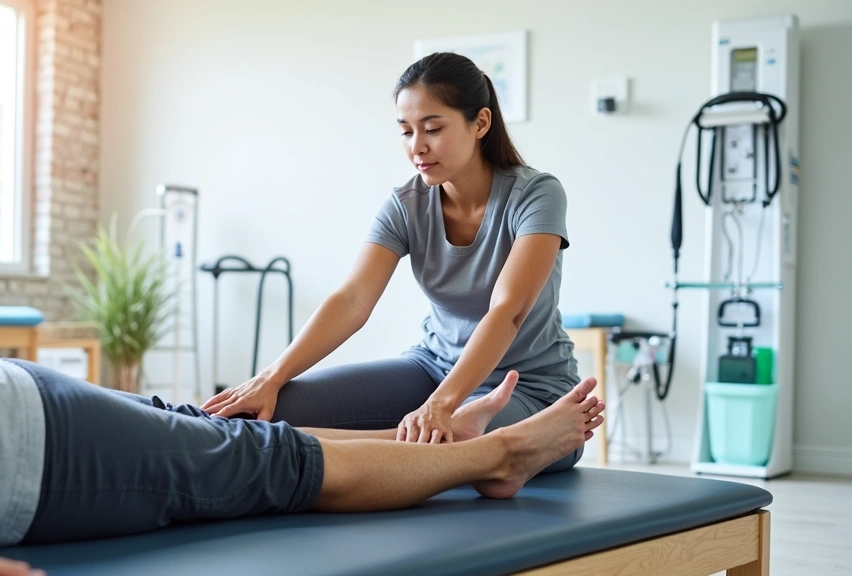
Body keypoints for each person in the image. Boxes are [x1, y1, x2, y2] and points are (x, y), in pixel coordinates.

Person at [0, 348, 603, 570]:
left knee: (248, 447)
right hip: (10, 440)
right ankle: (489, 452)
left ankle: (480, 452)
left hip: (8, 425)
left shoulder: (526, 198)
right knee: (252, 451)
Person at [202, 52, 587, 471]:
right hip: (432, 367)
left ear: (480, 123)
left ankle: (458, 444)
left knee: (456, 438)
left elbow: (507, 310)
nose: (416, 147)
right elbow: (352, 300)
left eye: (433, 129)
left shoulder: (537, 194)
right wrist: (271, 377)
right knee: (269, 410)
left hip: (530, 387)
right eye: (406, 132)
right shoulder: (406, 205)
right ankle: (438, 445)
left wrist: (442, 404)